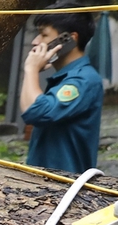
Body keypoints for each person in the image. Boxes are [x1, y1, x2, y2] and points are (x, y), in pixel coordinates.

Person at [20, 12, 105, 174]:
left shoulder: (83, 81)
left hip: (65, 187)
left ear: (69, 39)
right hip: (45, 182)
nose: (35, 41)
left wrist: (31, 69)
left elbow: (36, 111)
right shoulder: (67, 78)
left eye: (44, 34)